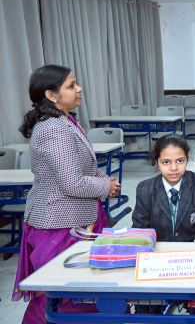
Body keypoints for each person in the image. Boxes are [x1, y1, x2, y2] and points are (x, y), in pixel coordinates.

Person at [13, 65, 120, 323]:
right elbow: (72, 183)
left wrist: (102, 179)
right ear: (51, 95)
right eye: (71, 85)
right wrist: (105, 187)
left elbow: (82, 168)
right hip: (59, 224)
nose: (79, 89)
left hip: (72, 219)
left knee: (73, 295)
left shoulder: (65, 120)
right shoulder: (54, 129)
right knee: (60, 297)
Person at [133, 135, 195, 242]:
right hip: (158, 249)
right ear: (157, 163)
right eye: (166, 162)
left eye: (180, 161)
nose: (174, 168)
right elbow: (139, 232)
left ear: (187, 159)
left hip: (194, 249)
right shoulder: (145, 189)